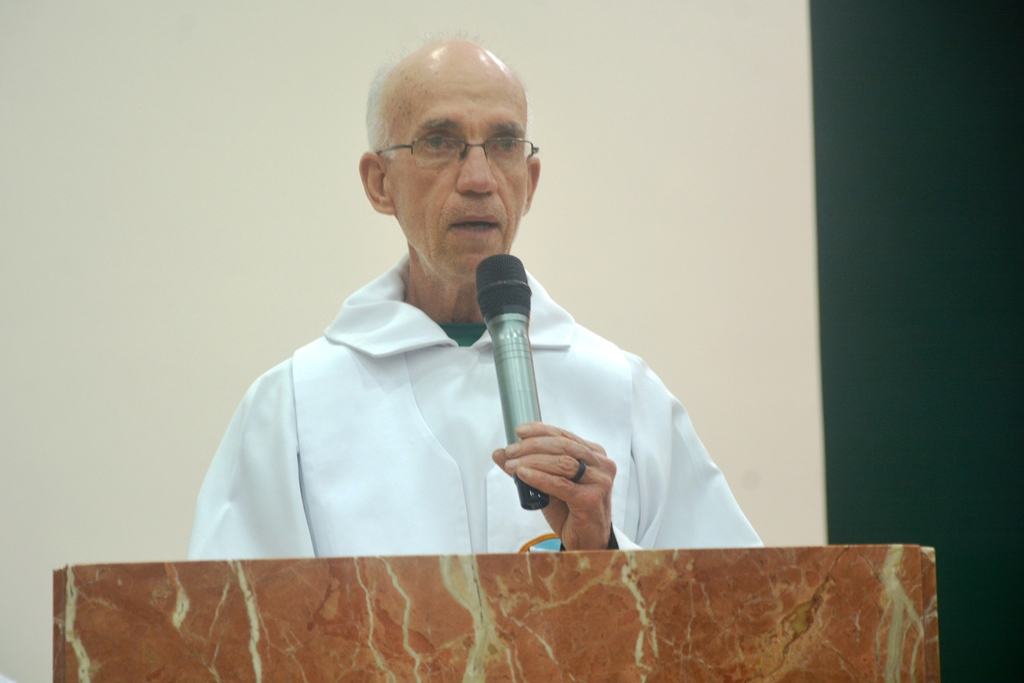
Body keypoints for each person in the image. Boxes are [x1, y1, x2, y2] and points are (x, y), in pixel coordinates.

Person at [188, 39, 760, 560]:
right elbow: (231, 624)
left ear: (530, 182)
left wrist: (604, 554)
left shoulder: (621, 392)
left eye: (504, 144)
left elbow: (738, 610)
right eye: (441, 143)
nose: (479, 179)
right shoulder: (294, 408)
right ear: (379, 183)